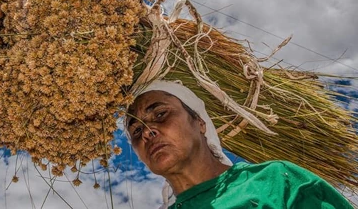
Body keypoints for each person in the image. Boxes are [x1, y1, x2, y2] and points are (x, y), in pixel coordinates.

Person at [125, 80, 353, 209]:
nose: (147, 131)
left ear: (200, 123)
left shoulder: (274, 181)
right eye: (135, 130)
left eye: (161, 114)